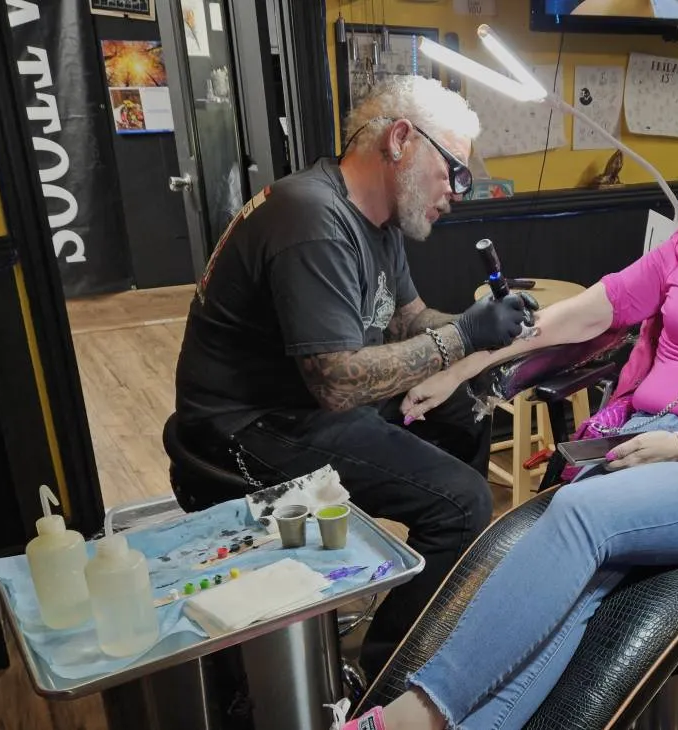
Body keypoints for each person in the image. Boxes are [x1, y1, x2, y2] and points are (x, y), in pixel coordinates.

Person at [336, 82, 678, 730]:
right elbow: (583, 312)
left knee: (582, 512)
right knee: (579, 592)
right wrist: (468, 364)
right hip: (643, 438)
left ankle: (403, 720)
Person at [171, 75, 539, 678]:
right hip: (250, 426)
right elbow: (337, 383)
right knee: (465, 502)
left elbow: (407, 321)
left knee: (464, 417)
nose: (457, 193)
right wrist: (465, 337)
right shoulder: (311, 218)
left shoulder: (378, 219)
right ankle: (387, 674)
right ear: (401, 140)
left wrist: (489, 332)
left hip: (305, 403)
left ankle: (434, 605)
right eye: (453, 172)